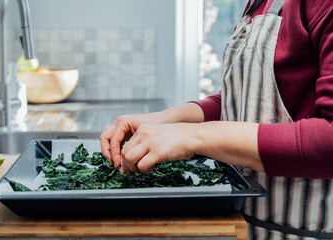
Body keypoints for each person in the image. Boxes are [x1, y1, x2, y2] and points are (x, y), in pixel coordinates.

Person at [100, 0, 333, 239]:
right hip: (247, 226)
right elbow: (244, 100)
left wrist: (191, 137)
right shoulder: (259, 4)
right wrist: (167, 119)